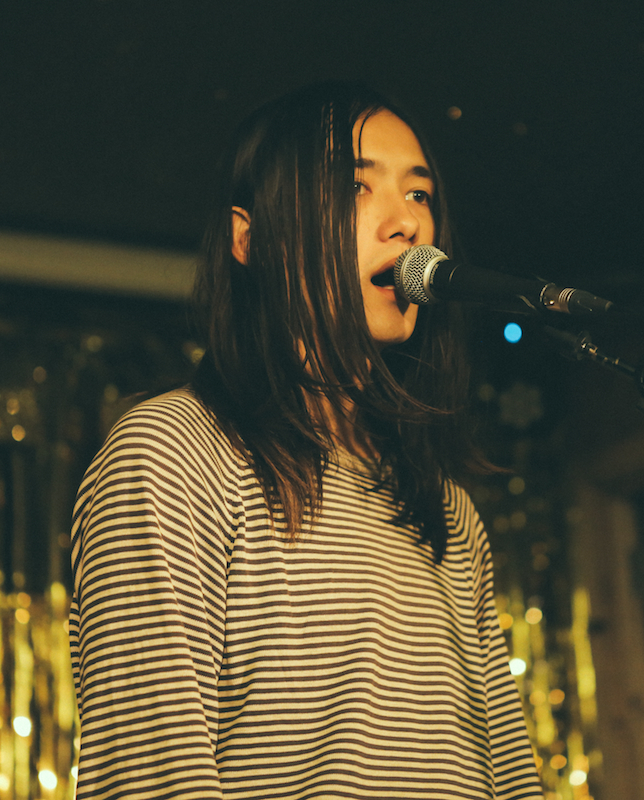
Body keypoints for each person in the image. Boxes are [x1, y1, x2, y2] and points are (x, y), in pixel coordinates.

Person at [68, 81, 543, 799]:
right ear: (251, 240)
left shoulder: (450, 513)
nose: (406, 223)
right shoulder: (171, 454)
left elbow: (507, 773)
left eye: (419, 194)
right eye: (356, 187)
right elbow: (150, 773)